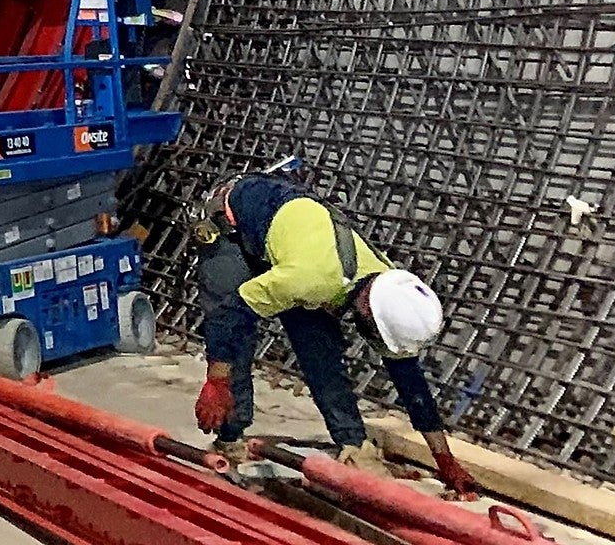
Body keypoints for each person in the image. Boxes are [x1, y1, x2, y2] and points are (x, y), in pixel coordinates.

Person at [194, 168, 467, 488]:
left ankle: (353, 445)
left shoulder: (388, 287)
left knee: (320, 348)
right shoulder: (310, 279)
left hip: (295, 249)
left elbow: (408, 378)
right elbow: (230, 314)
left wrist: (445, 460)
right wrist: (216, 381)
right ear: (368, 310)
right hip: (232, 227)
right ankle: (230, 440)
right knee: (235, 342)